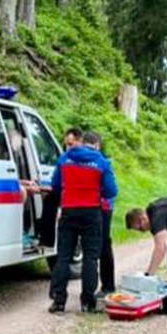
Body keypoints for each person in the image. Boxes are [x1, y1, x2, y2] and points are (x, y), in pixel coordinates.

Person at [48, 130, 118, 314]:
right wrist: (95, 192)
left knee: (63, 257)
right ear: (96, 145)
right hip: (91, 213)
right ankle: (87, 303)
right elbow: (111, 191)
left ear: (81, 142)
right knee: (90, 259)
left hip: (69, 212)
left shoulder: (64, 159)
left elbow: (55, 186)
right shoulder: (102, 162)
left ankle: (59, 302)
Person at [84, 133, 116, 296]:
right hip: (100, 206)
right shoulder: (103, 161)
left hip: (102, 206)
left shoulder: (103, 162)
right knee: (101, 245)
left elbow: (110, 190)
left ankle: (107, 285)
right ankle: (104, 285)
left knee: (102, 244)